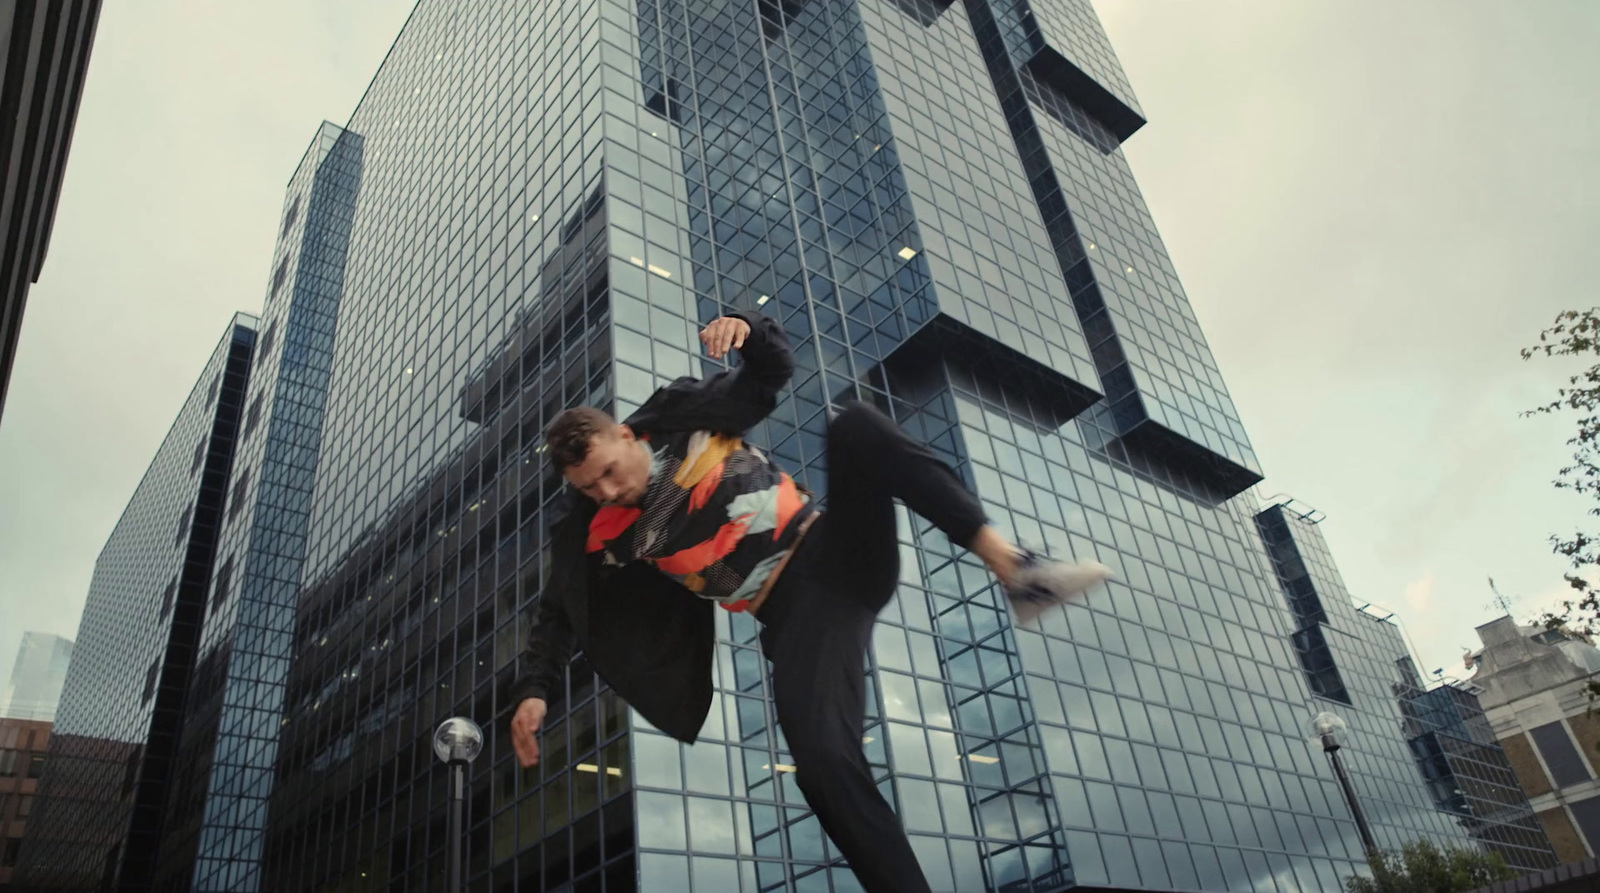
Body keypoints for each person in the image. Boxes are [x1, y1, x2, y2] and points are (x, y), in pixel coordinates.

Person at [509, 312, 1111, 893]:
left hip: (837, 551)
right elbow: (560, 610)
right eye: (590, 487)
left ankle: (1016, 569)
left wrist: (745, 327)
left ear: (623, 435)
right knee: (822, 762)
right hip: (796, 619)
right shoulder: (592, 530)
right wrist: (535, 690)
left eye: (611, 471)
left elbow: (768, 376)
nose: (610, 490)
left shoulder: (685, 416)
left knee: (854, 426)